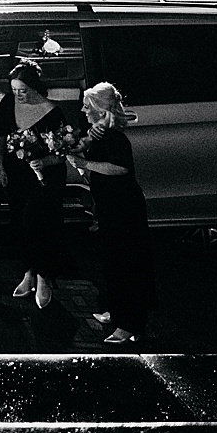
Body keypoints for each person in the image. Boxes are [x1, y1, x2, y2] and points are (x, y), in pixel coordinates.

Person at [68, 81, 154, 345]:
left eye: (87, 105)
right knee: (112, 261)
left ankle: (129, 324)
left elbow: (120, 168)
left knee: (125, 264)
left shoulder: (116, 138)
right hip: (109, 205)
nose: (82, 110)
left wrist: (85, 163)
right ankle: (116, 311)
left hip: (123, 208)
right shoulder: (101, 134)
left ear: (99, 109)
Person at [0, 59, 72, 310]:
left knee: (38, 223)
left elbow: (62, 151)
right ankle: (27, 271)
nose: (17, 95)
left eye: (22, 90)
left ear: (35, 87)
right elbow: (0, 138)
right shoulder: (8, 103)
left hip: (45, 177)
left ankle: (44, 276)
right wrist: (0, 166)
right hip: (17, 175)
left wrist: (44, 162)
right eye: (14, 90)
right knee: (19, 222)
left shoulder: (53, 112)